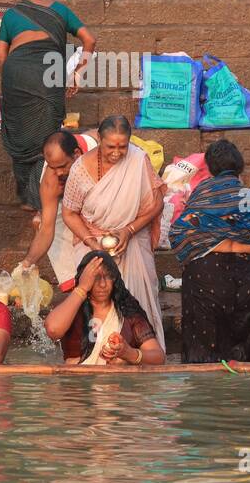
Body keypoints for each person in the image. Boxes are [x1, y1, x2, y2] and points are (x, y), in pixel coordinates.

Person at [61, 115, 167, 347]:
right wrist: (92, 243)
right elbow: (69, 213)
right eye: (110, 146)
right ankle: (95, 353)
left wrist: (128, 231)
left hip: (133, 242)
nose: (117, 153)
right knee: (96, 304)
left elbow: (156, 204)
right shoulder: (80, 168)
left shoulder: (139, 160)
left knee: (138, 301)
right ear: (99, 139)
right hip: (94, 245)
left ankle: (143, 353)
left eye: (123, 146)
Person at [0, 0, 95, 210]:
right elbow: (89, 40)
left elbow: (1, 57)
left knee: (19, 133)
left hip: (15, 74)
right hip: (47, 75)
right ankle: (41, 196)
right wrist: (77, 75)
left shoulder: (10, 14)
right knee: (46, 135)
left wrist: (11, 83)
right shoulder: (59, 9)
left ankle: (26, 196)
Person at [169, 139, 250, 363]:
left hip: (207, 277)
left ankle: (207, 393)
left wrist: (213, 241)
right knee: (244, 347)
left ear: (211, 167)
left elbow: (179, 233)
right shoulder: (247, 196)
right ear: (239, 165)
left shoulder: (203, 192)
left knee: (206, 348)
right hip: (246, 277)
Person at [44, 250, 166, 366]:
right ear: (85, 278)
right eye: (96, 277)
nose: (102, 284)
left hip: (117, 385)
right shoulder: (73, 308)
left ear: (115, 279)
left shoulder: (127, 310)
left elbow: (158, 357)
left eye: (108, 276)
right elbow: (53, 330)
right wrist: (81, 288)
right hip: (77, 385)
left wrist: (128, 354)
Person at [17, 130, 95, 289]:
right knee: (51, 221)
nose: (59, 172)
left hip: (100, 202)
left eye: (62, 166)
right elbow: (46, 229)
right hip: (70, 207)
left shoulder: (97, 152)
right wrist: (26, 264)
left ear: (77, 154)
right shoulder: (52, 178)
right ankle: (75, 283)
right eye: (53, 167)